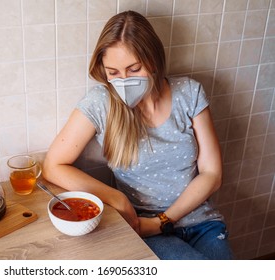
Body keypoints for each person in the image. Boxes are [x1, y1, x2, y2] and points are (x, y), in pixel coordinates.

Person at [43, 10, 233, 260]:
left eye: (133, 69)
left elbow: (212, 174)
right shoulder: (102, 103)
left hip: (201, 222)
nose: (123, 81)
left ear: (153, 60)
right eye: (113, 72)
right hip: (142, 229)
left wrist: (163, 220)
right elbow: (53, 166)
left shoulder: (189, 93)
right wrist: (117, 198)